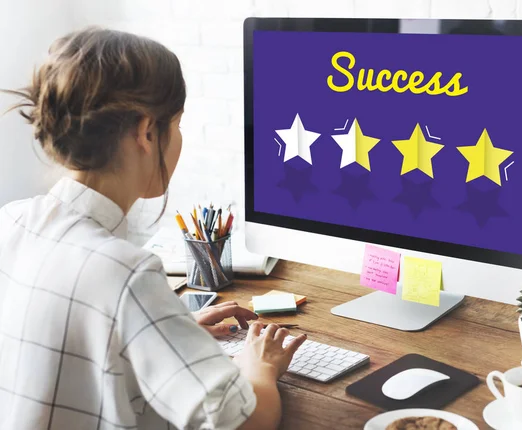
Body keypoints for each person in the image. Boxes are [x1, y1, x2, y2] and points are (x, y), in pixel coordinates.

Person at [0, 27, 306, 430]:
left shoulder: (11, 220)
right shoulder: (126, 272)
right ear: (146, 132)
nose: (178, 139)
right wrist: (259, 367)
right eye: (176, 124)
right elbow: (246, 421)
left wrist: (165, 330)